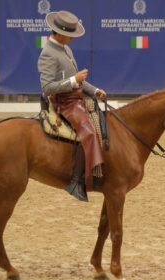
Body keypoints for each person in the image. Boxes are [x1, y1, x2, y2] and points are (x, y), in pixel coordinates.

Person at [38, 10, 107, 202]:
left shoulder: (66, 49)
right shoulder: (48, 54)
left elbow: (78, 81)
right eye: (70, 35)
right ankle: (77, 181)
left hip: (76, 98)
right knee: (89, 132)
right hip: (64, 103)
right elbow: (47, 88)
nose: (72, 39)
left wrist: (94, 91)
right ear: (59, 33)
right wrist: (73, 79)